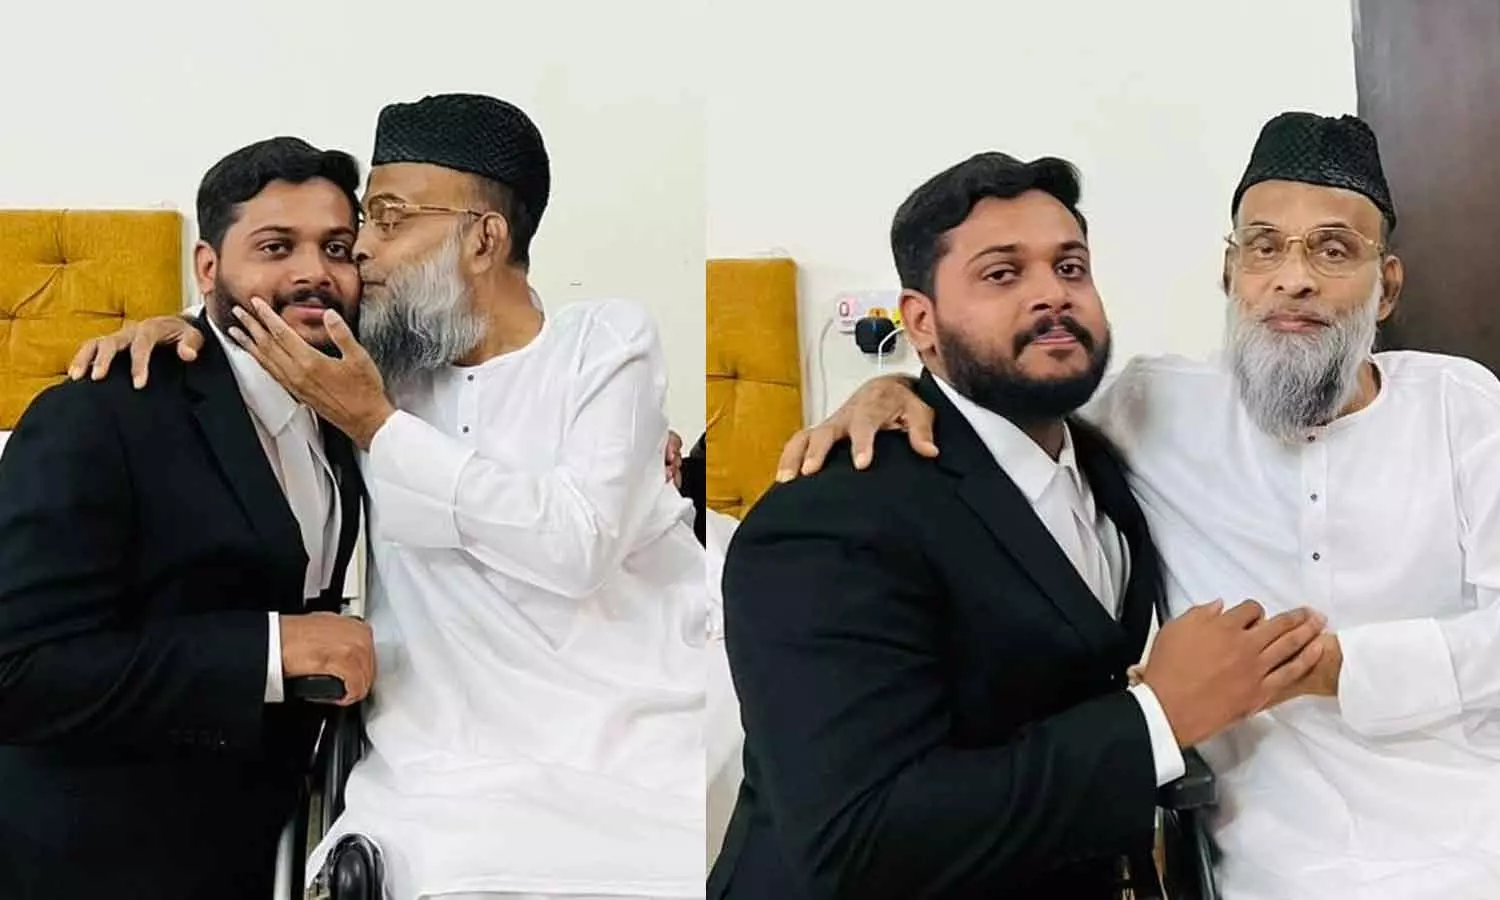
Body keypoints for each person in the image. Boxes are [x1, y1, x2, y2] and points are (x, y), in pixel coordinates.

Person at [781, 112, 1500, 898]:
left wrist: (1341, 668)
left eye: (1333, 250)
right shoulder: (1154, 407)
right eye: (1264, 247)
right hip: (1274, 859)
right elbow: (1002, 399)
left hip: (1470, 822)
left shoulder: (1461, 409)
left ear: (1386, 286)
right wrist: (895, 388)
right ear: (1229, 272)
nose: (1293, 278)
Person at [68, 93, 705, 900]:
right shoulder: (378, 358)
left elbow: (577, 547)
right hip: (443, 739)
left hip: (628, 714)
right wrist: (184, 328)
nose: (361, 250)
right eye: (365, 223)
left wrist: (377, 424)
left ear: (483, 237)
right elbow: (257, 325)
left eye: (389, 220)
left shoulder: (603, 341)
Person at [712, 151, 1327, 899]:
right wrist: (1158, 717)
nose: (1051, 294)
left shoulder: (1109, 457)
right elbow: (856, 844)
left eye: (1071, 268)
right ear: (921, 323)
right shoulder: (825, 523)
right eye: (1002, 274)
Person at [0, 137, 376, 900]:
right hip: (97, 856)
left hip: (250, 834)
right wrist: (273, 648)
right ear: (208, 268)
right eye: (276, 246)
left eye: (337, 247)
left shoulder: (342, 394)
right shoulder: (99, 414)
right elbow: (17, 673)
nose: (313, 271)